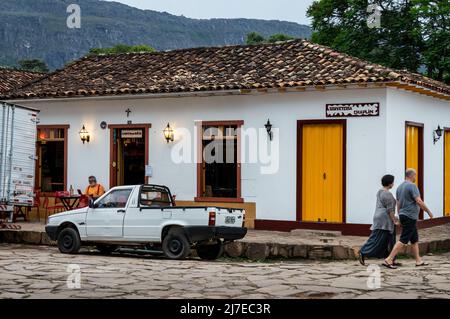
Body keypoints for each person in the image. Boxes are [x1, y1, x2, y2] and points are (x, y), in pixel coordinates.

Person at [383, 169, 434, 269]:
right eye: (415, 176)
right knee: (403, 239)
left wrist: (400, 215)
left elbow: (398, 203)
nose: (415, 178)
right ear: (412, 175)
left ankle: (418, 261)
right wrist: (428, 211)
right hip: (410, 216)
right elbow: (418, 201)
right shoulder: (412, 186)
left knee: (414, 240)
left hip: (404, 215)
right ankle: (389, 259)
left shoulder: (399, 187)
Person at [359, 174, 399, 266]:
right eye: (392, 182)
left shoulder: (380, 191)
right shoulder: (387, 194)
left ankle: (390, 259)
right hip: (384, 220)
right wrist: (394, 220)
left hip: (379, 217)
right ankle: (363, 252)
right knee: (377, 238)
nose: (393, 183)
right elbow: (390, 210)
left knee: (388, 239)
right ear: (390, 183)